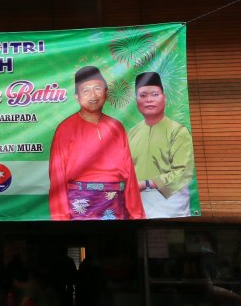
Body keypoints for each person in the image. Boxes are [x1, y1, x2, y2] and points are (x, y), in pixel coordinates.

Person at [48, 66, 144, 221]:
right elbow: (57, 177)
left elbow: (130, 174)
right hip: (79, 204)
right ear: (76, 97)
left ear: (106, 92)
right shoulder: (65, 129)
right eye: (86, 90)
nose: (93, 95)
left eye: (97, 88)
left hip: (116, 202)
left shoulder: (116, 127)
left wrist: (136, 212)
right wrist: (60, 216)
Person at [127, 72, 195, 219]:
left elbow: (183, 172)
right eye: (143, 95)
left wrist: (147, 183)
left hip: (170, 203)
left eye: (154, 94)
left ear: (164, 98)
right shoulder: (131, 133)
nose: (149, 100)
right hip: (137, 202)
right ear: (136, 100)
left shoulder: (178, 131)